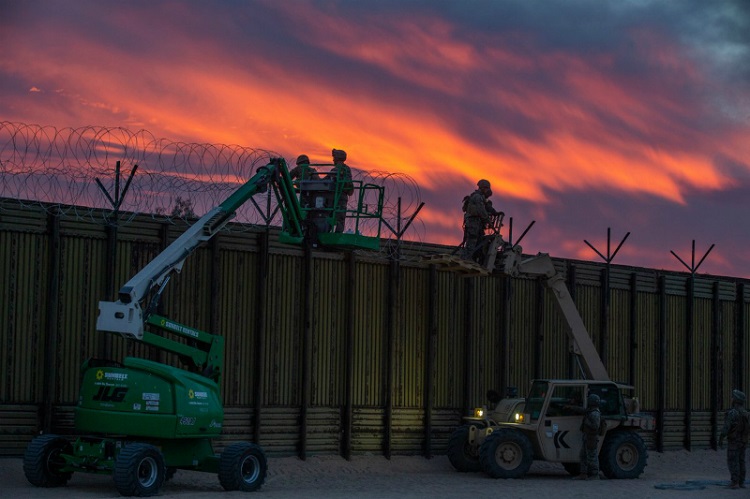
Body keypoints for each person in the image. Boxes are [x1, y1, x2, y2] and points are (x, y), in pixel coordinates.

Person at [460, 179, 497, 261]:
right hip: (473, 223)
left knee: (479, 242)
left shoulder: (481, 198)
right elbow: (481, 210)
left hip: (477, 223)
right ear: (483, 188)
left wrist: (494, 212)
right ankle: (466, 260)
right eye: (487, 188)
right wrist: (487, 219)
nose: (488, 190)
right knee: (472, 242)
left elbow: (486, 207)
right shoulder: (477, 197)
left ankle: (472, 259)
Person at [720, 389, 748, 489]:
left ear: (735, 400)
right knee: (741, 461)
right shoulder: (746, 413)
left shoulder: (732, 413)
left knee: (733, 461)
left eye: (733, 397)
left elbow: (726, 428)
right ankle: (741, 482)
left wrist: (721, 438)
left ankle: (735, 482)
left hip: (734, 441)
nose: (731, 398)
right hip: (743, 441)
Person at [572, 393, 602, 480]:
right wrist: (572, 407)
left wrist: (586, 422)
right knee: (583, 455)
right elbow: (583, 410)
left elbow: (595, 426)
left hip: (591, 438)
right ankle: (583, 473)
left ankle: (595, 475)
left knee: (592, 456)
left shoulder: (595, 413)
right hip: (587, 437)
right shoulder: (590, 411)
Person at [329, 148, 353, 233]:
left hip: (336, 196)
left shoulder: (336, 169)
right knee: (340, 217)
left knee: (330, 214)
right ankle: (337, 233)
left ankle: (330, 232)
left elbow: (327, 180)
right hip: (342, 196)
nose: (333, 159)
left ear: (338, 158)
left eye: (334, 157)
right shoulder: (347, 169)